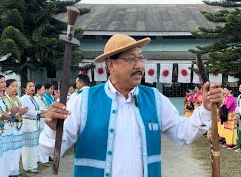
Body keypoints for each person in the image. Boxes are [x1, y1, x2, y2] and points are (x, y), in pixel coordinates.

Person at [39, 33, 224, 177]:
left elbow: (182, 133)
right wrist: (53, 130)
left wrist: (206, 109)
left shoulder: (154, 98)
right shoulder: (84, 100)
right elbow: (52, 151)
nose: (139, 66)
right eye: (131, 59)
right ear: (110, 65)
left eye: (140, 58)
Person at [0, 74, 19, 176]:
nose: (4, 84)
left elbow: (10, 111)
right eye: (1, 82)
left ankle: (7, 173)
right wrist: (9, 113)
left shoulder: (6, 96)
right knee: (2, 155)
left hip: (9, 127)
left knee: (8, 153)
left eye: (4, 82)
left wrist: (14, 112)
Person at [20, 81, 45, 173]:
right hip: (27, 122)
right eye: (30, 86)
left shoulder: (33, 98)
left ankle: (33, 165)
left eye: (33, 86)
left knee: (34, 145)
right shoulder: (23, 98)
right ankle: (27, 166)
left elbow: (37, 109)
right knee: (27, 146)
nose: (32, 88)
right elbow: (26, 111)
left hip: (34, 122)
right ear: (25, 88)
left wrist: (44, 111)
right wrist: (38, 112)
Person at [6, 79, 28, 176]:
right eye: (12, 86)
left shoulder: (18, 98)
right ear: (7, 88)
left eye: (16, 86)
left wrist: (22, 111)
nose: (15, 88)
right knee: (11, 151)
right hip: (10, 126)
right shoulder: (6, 99)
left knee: (17, 150)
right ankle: (10, 171)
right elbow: (6, 114)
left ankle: (15, 170)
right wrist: (18, 112)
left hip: (19, 126)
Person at [34, 84, 50, 165]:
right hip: (40, 120)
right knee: (39, 140)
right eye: (43, 89)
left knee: (44, 140)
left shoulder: (43, 98)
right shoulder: (36, 99)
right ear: (38, 90)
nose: (44, 90)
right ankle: (39, 158)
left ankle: (44, 158)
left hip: (45, 120)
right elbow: (39, 109)